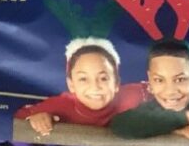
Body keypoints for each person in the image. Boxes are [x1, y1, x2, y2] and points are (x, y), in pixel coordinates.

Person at [16, 38, 145, 136]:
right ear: (71, 85)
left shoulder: (134, 96)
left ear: (116, 83)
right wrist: (36, 118)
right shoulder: (61, 105)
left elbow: (160, 91)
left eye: (103, 78)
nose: (95, 87)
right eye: (83, 79)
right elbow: (15, 117)